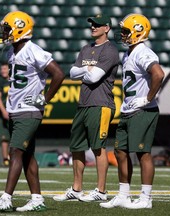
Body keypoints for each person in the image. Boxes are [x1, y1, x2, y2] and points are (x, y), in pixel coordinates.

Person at [0, 11, 65, 212]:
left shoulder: (33, 50)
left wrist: (45, 98)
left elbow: (58, 74)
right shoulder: (12, 51)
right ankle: (37, 198)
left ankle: (6, 198)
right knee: (27, 155)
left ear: (20, 29)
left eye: (7, 29)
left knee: (15, 151)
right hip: (16, 109)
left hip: (29, 110)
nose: (3, 33)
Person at [100, 13, 164, 209]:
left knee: (143, 153)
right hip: (129, 109)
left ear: (139, 32)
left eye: (127, 31)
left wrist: (147, 98)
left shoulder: (143, 52)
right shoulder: (130, 52)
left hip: (143, 111)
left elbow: (158, 74)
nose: (123, 35)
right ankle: (123, 194)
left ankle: (146, 198)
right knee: (120, 151)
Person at [53, 13, 119, 202]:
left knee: (99, 148)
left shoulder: (110, 51)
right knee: (76, 147)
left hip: (101, 104)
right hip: (83, 103)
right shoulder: (85, 48)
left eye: (97, 25)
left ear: (107, 28)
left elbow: (94, 77)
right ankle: (76, 188)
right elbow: (72, 73)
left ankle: (101, 191)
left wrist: (84, 71)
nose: (93, 27)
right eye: (92, 24)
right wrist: (86, 71)